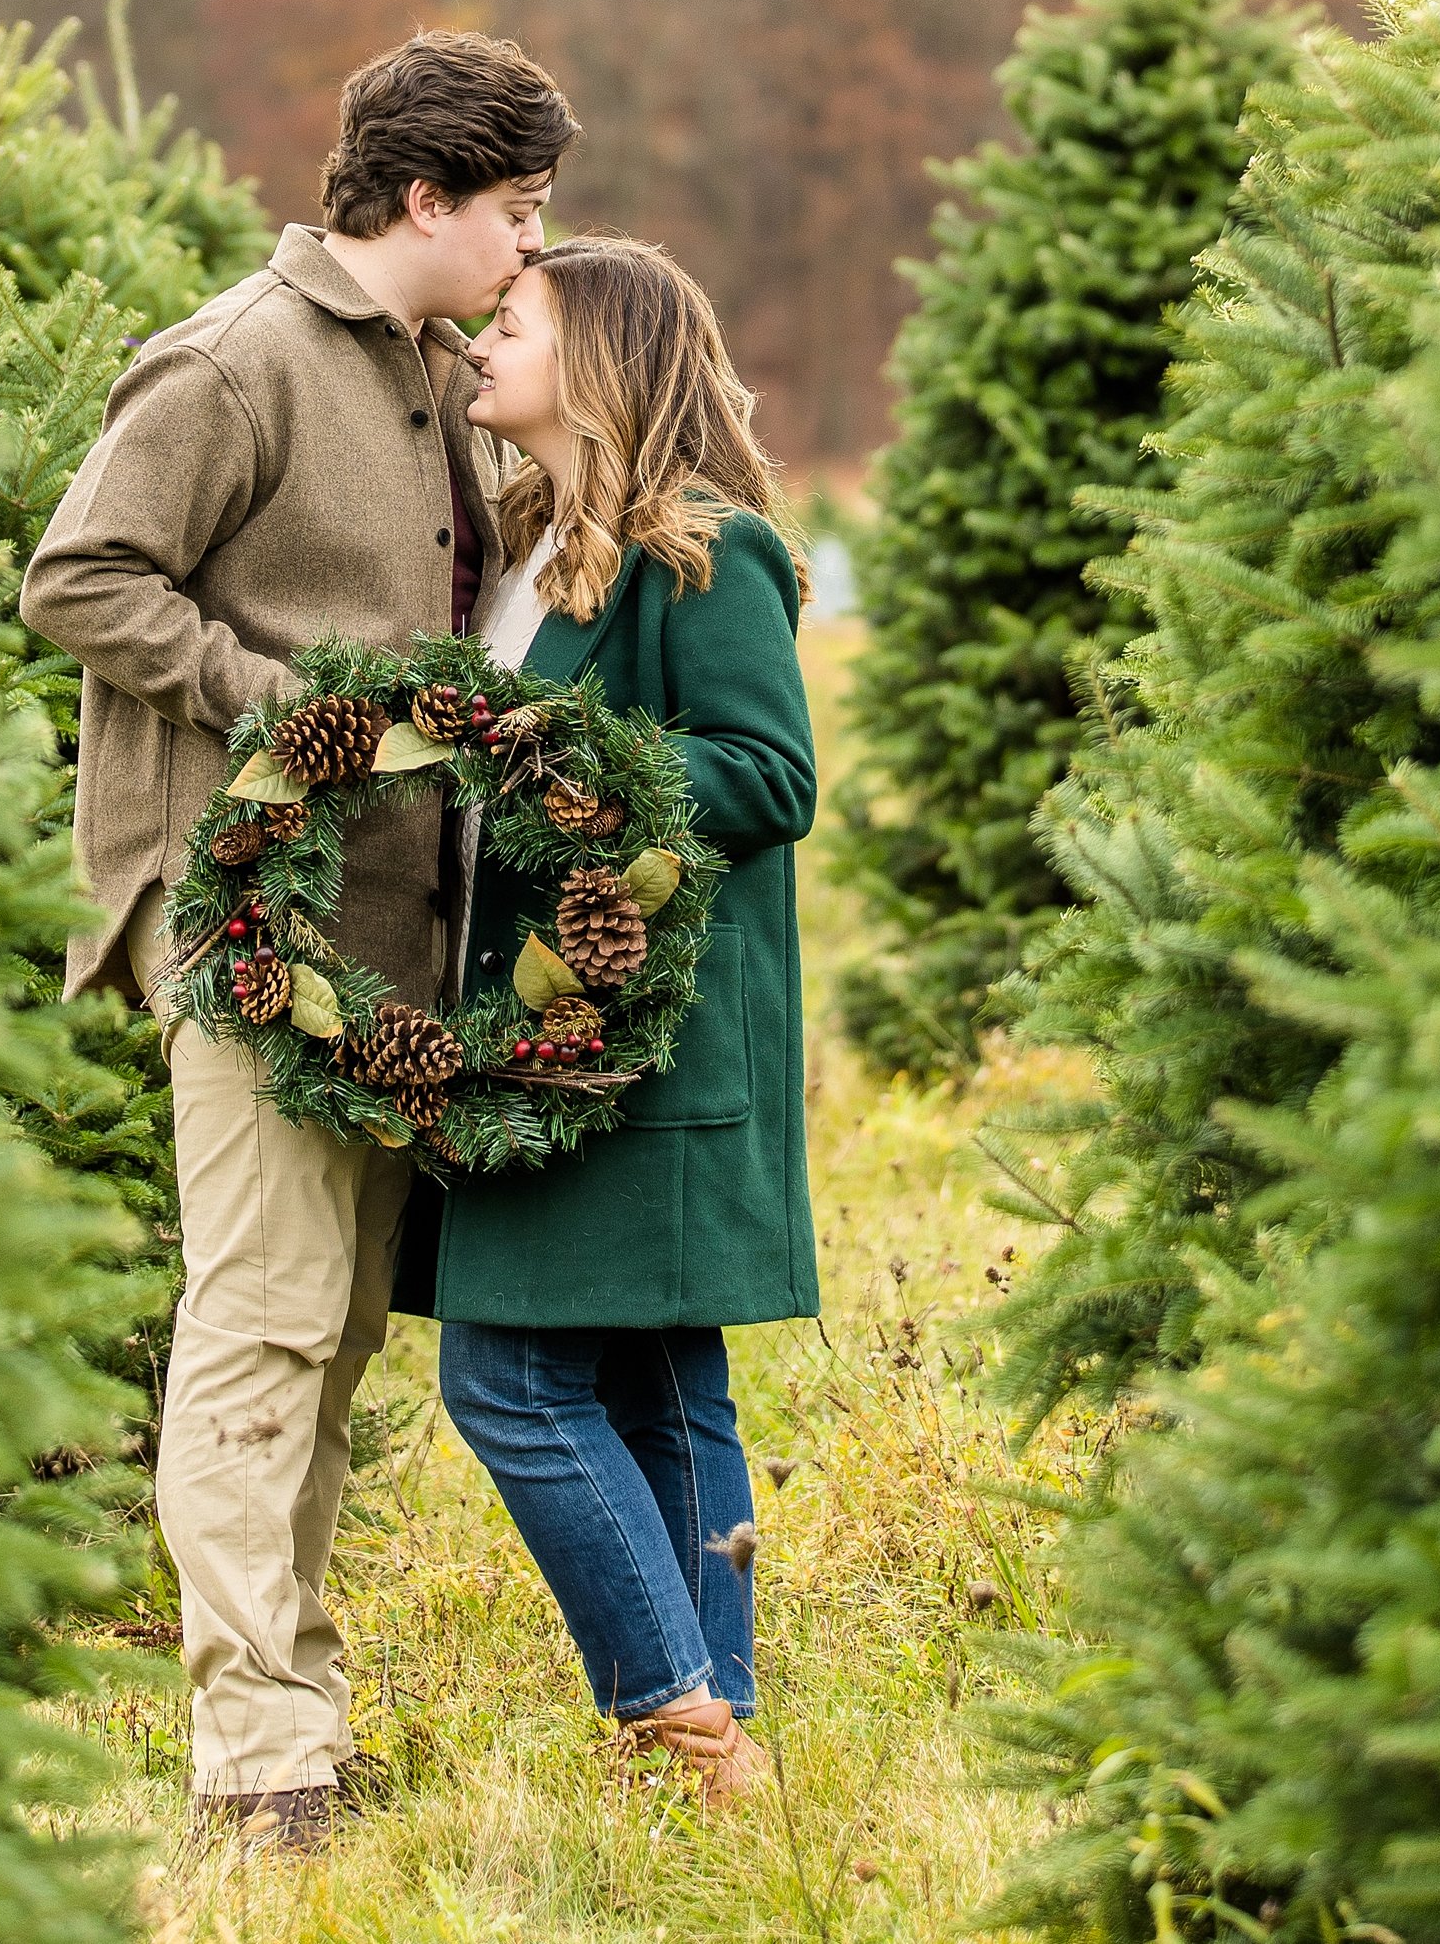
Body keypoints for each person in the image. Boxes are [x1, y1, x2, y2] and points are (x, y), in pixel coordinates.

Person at [19, 29, 579, 1857]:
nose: (528, 247)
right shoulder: (235, 360)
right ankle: (257, 1759)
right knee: (258, 1328)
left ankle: (299, 1709)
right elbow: (81, 578)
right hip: (254, 926)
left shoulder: (429, 374)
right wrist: (286, 706)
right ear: (424, 198)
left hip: (395, 938)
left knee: (331, 1337)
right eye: (514, 209)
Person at [435, 236, 818, 1813]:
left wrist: (572, 768)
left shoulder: (703, 554)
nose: (478, 340)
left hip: (637, 1044)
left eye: (507, 322)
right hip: (550, 1032)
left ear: (593, 356)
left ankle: (682, 1723)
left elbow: (771, 774)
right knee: (666, 1384)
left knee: (509, 1381)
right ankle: (713, 1741)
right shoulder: (531, 547)